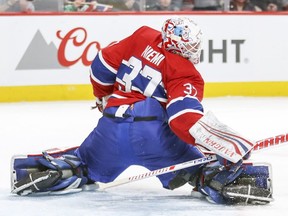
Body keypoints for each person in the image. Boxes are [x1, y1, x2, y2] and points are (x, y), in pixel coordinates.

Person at [11, 17, 273, 205]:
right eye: (190, 46)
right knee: (200, 167)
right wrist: (228, 145)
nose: (193, 51)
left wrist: (102, 97)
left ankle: (52, 170)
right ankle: (217, 178)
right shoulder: (187, 74)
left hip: (110, 126)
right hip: (154, 137)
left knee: (85, 163)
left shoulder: (142, 36)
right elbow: (184, 118)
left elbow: (100, 65)